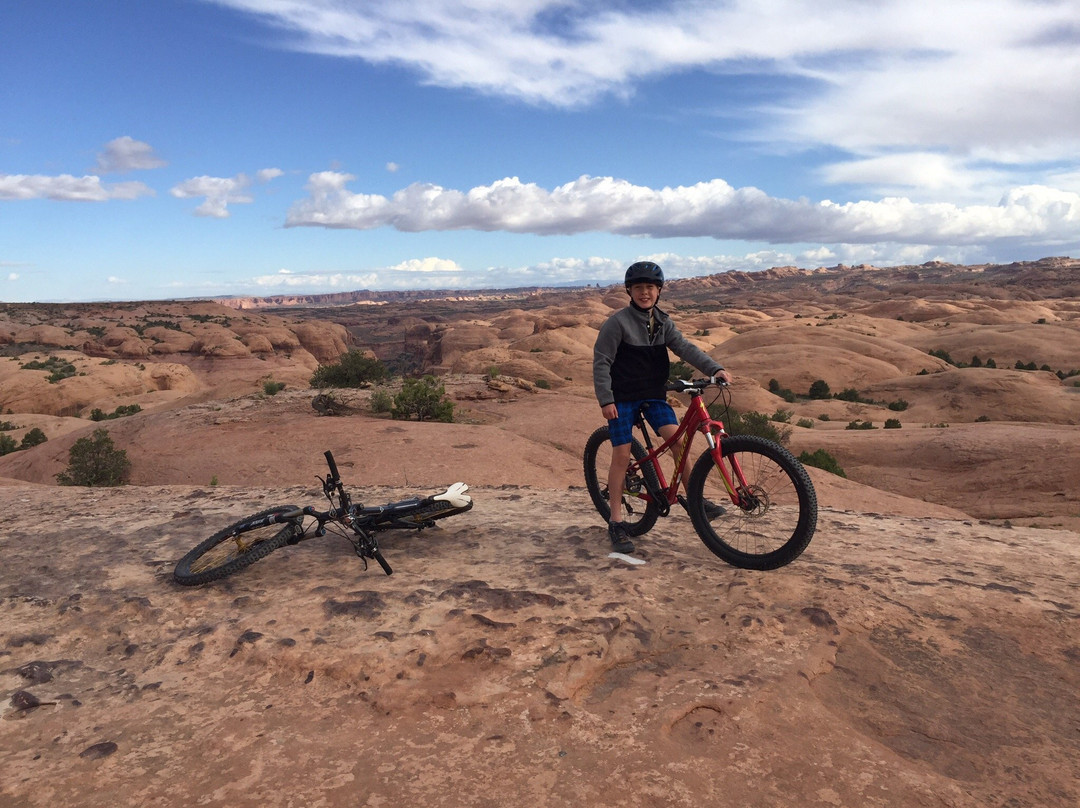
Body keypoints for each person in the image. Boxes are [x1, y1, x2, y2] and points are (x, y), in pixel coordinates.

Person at [593, 261, 733, 553]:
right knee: (621, 454)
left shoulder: (663, 322)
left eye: (651, 287)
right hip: (622, 397)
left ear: (658, 291)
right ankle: (616, 521)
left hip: (654, 394)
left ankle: (694, 499)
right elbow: (602, 361)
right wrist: (606, 400)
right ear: (630, 291)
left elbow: (684, 347)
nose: (645, 293)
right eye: (639, 288)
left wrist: (714, 368)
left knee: (678, 442)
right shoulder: (617, 323)